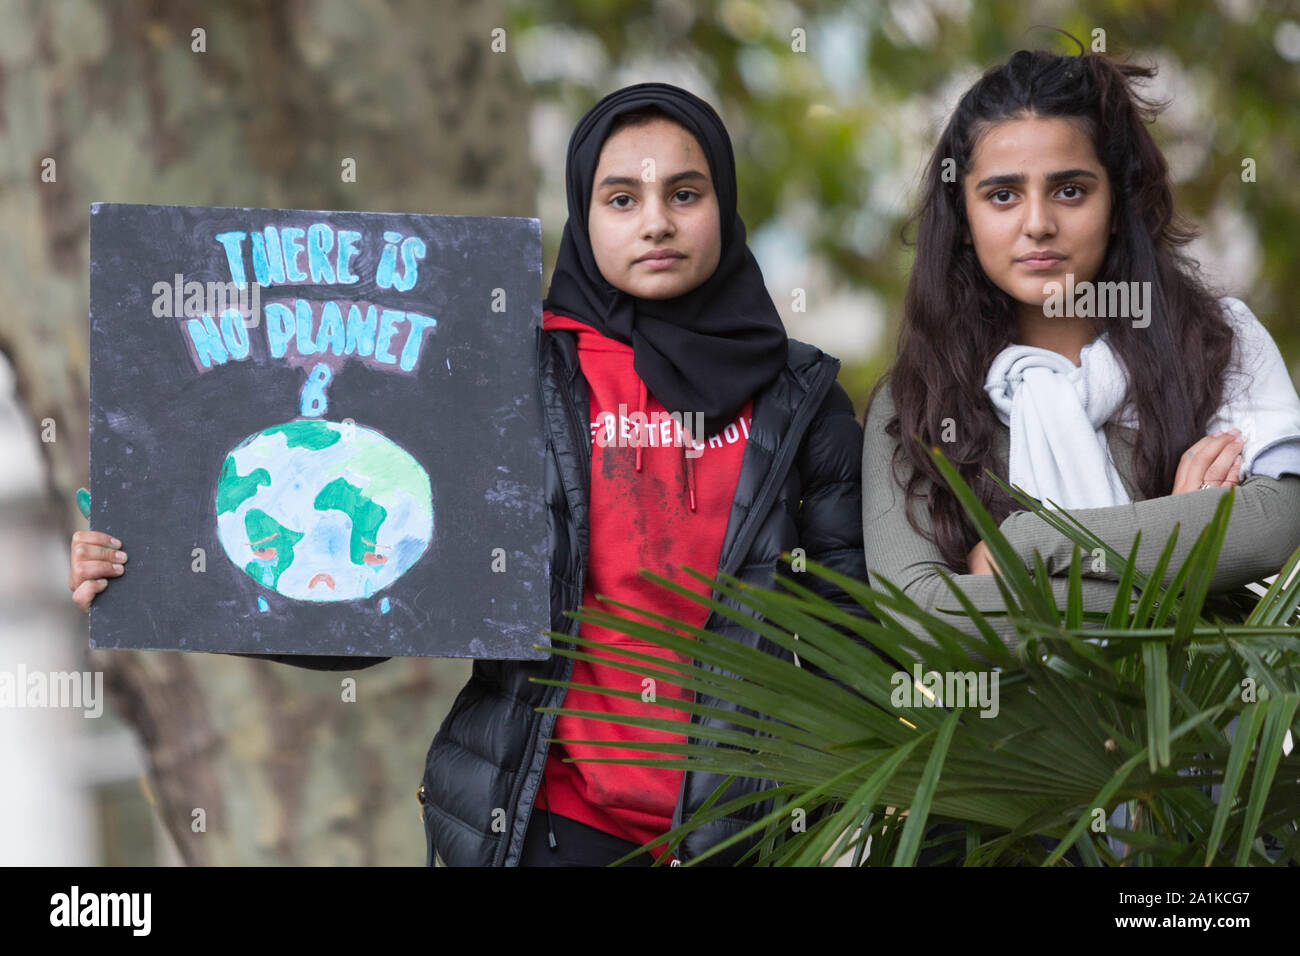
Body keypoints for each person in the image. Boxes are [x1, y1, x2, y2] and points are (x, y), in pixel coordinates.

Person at [70, 82, 870, 867]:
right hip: (543, 818)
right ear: (583, 219)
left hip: (746, 833)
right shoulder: (509, 376)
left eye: (684, 193)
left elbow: (852, 632)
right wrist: (160, 567)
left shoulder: (802, 400)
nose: (656, 221)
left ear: (723, 207)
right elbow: (392, 589)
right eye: (621, 198)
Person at [862, 48, 1300, 650]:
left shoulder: (1216, 340)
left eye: (1070, 191)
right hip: (1013, 744)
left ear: (1116, 205)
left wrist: (1028, 548)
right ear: (962, 216)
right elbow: (922, 613)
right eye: (1002, 196)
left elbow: (1273, 524)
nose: (1038, 223)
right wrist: (1179, 558)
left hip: (1209, 741)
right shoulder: (917, 397)